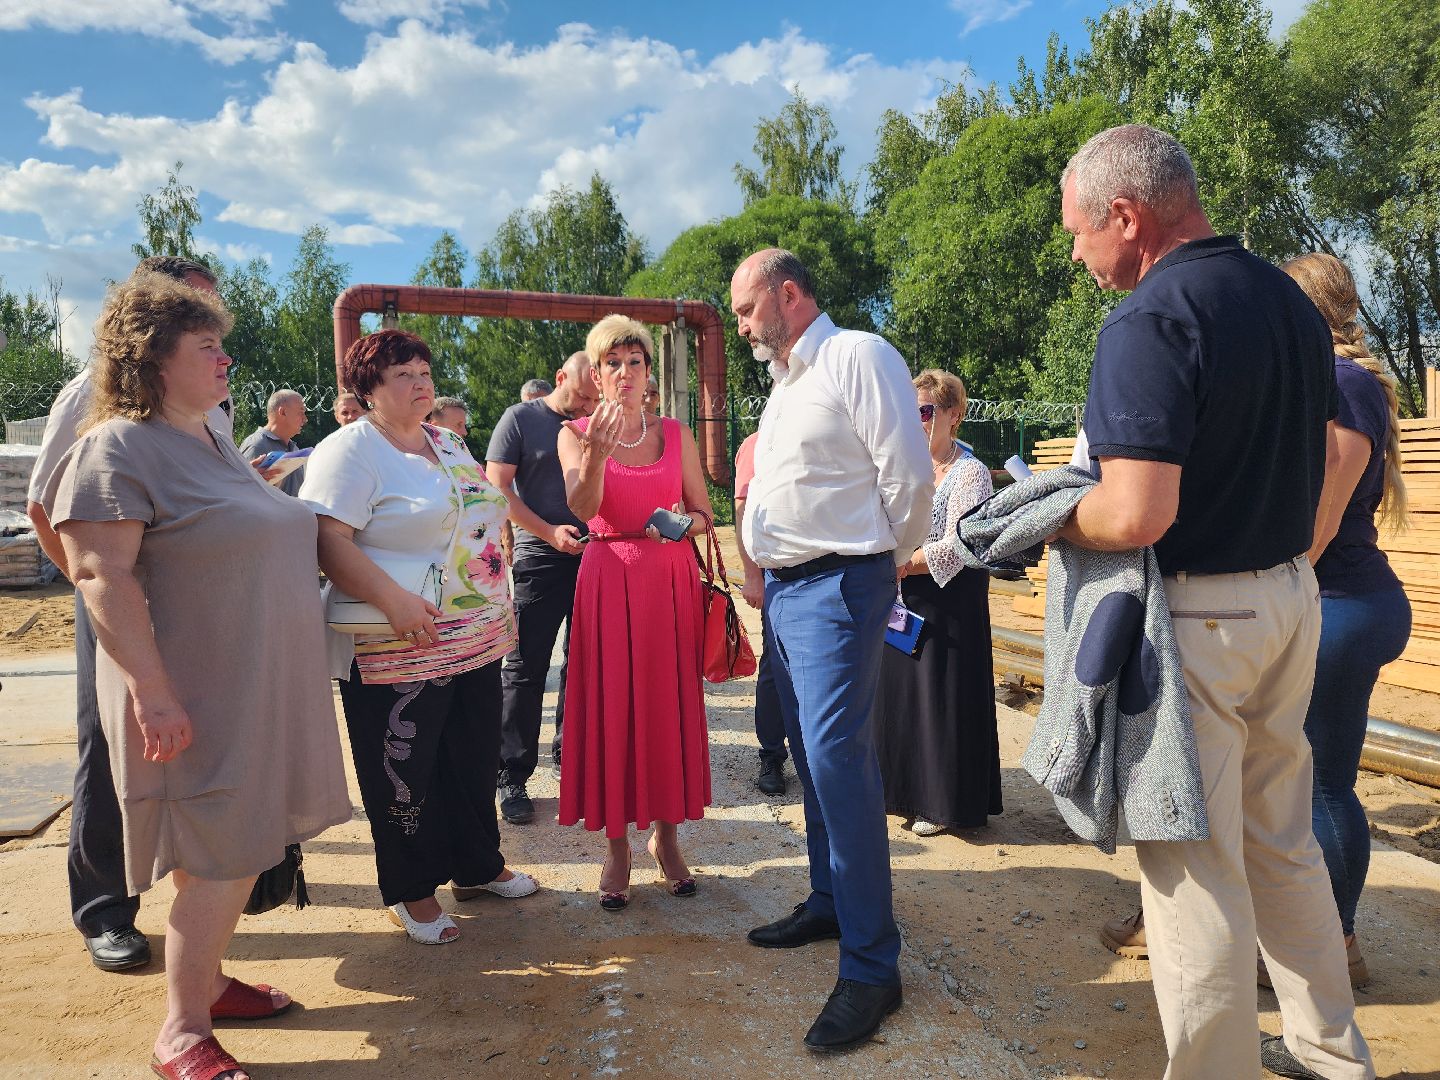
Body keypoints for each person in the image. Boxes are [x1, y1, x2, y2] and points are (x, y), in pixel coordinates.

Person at [1056, 125, 1372, 1079]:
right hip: (1288, 599)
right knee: (1283, 845)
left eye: (1078, 233)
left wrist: (1053, 518)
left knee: (1193, 870)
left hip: (1198, 623)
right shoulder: (1288, 303)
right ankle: (1331, 1053)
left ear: (1125, 216)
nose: (1077, 256)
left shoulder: (1150, 320)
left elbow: (1136, 512)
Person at [42, 272, 350, 1079]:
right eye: (207, 346)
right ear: (154, 358)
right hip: (194, 690)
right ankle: (181, 1032)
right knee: (225, 852)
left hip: (251, 683)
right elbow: (100, 573)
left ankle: (207, 983)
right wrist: (153, 692)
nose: (225, 360)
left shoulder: (210, 437)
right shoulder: (117, 445)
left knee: (218, 846)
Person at [733, 249, 933, 1052]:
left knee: (838, 764)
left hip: (838, 586)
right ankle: (830, 901)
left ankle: (872, 967)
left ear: (788, 294)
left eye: (747, 310)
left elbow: (908, 478)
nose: (741, 327)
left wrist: (880, 565)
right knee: (814, 762)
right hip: (788, 593)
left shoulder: (858, 355)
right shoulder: (786, 382)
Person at [24, 256, 236, 977]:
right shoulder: (93, 392)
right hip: (119, 596)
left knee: (194, 745)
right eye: (189, 308)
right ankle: (105, 909)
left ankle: (202, 900)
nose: (207, 324)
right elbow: (45, 506)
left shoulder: (211, 402)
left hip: (195, 606)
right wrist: (98, 596)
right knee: (111, 747)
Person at [302, 329, 535, 947]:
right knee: (405, 768)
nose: (420, 383)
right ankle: (412, 890)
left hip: (474, 637)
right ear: (368, 389)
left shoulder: (445, 440)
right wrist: (393, 601)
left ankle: (478, 866)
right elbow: (327, 540)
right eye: (403, 374)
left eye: (424, 371)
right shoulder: (350, 451)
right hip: (397, 640)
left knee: (472, 757)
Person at [1283, 252, 1412, 988]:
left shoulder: (1344, 384)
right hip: (1337, 601)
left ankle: (1336, 945)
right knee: (1307, 779)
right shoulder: (1328, 383)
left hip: (1342, 604)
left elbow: (1319, 527)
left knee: (1322, 784)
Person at [555, 315, 713, 911]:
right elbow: (582, 506)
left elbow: (704, 513)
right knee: (613, 709)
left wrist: (680, 525)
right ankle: (617, 849)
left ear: (650, 373)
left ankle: (667, 841)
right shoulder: (573, 434)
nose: (625, 372)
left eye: (635, 362)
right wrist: (595, 453)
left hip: (670, 582)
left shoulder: (677, 433)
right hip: (607, 579)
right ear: (596, 375)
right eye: (612, 363)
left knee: (667, 706)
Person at [875, 370, 1000, 836]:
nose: (917, 421)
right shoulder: (902, 466)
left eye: (925, 411)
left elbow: (962, 543)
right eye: (910, 412)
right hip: (904, 596)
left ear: (954, 416)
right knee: (902, 698)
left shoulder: (970, 473)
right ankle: (901, 792)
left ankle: (943, 803)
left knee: (941, 702)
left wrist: (904, 563)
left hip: (949, 603)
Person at [486, 352, 599, 823]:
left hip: (596, 554)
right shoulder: (520, 419)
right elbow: (497, 487)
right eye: (583, 396)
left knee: (584, 664)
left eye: (594, 399)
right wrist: (549, 532)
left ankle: (571, 760)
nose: (588, 406)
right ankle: (512, 774)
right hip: (540, 555)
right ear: (560, 378)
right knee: (525, 666)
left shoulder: (597, 422)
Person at [732, 430, 789, 795]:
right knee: (776, 664)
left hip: (827, 568)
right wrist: (753, 575)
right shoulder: (759, 442)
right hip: (777, 572)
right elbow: (743, 510)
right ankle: (772, 754)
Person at [238, 388, 308, 496]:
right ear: (283, 412)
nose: (305, 419)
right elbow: (243, 493)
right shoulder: (257, 445)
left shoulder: (294, 448)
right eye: (301, 412)